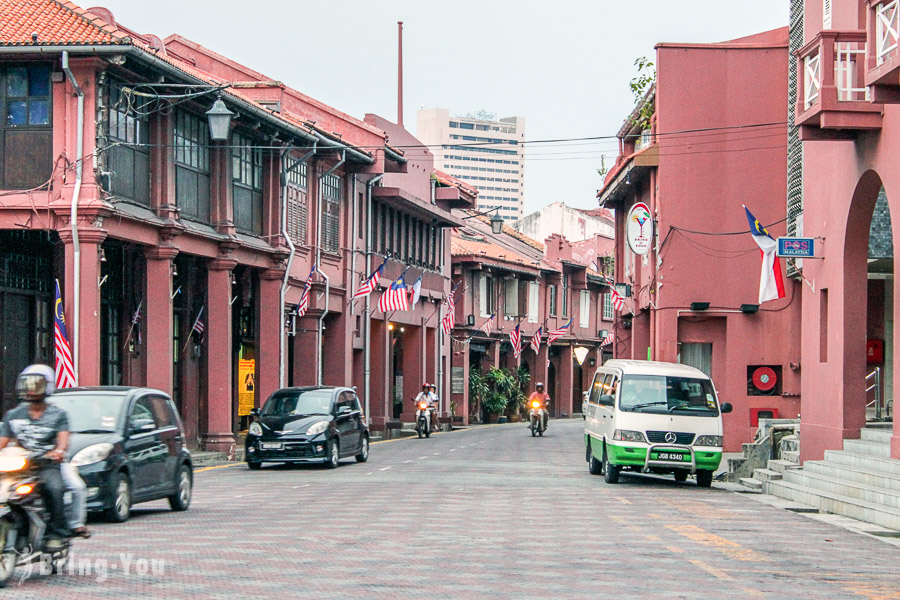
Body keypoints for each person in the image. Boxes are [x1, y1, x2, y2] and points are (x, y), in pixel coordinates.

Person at [0, 364, 74, 549]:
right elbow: (3, 441)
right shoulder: (13, 414)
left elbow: (63, 441)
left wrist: (58, 451)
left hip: (45, 465)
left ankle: (56, 533)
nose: (31, 389)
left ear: (47, 386)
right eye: (28, 384)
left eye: (37, 384)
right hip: (19, 466)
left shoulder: (58, 414)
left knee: (55, 488)